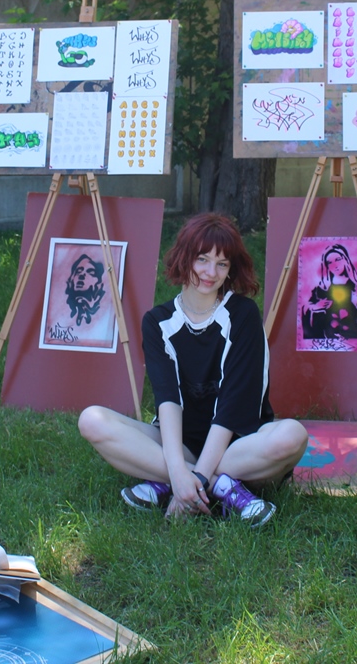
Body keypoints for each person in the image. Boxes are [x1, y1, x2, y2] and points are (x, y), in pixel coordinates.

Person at [78, 213, 308, 527]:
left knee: (292, 436)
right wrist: (178, 469)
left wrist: (194, 476)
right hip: (178, 445)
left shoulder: (243, 314)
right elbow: (168, 401)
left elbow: (232, 408)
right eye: (202, 259)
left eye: (222, 264)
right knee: (91, 420)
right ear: (185, 258)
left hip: (239, 448)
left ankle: (176, 484)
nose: (211, 273)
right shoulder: (157, 322)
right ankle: (220, 487)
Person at [300, 243, 357, 341]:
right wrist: (314, 307)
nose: (335, 265)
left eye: (338, 259)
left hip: (355, 342)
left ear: (346, 260)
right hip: (327, 343)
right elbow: (306, 314)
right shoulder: (320, 290)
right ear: (326, 266)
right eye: (329, 262)